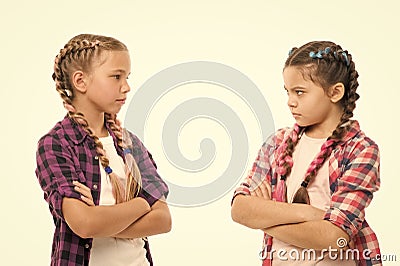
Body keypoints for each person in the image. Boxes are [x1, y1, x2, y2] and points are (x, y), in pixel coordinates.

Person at [231, 41, 381, 266]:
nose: (291, 102)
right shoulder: (277, 144)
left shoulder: (360, 150)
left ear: (335, 92)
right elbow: (240, 209)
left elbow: (335, 238)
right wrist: (309, 214)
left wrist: (263, 218)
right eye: (288, 92)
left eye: (300, 92)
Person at [35, 33, 171, 266]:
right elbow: (85, 224)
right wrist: (142, 203)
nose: (126, 87)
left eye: (127, 77)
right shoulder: (56, 144)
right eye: (116, 76)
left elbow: (163, 220)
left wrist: (103, 216)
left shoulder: (131, 144)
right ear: (81, 81)